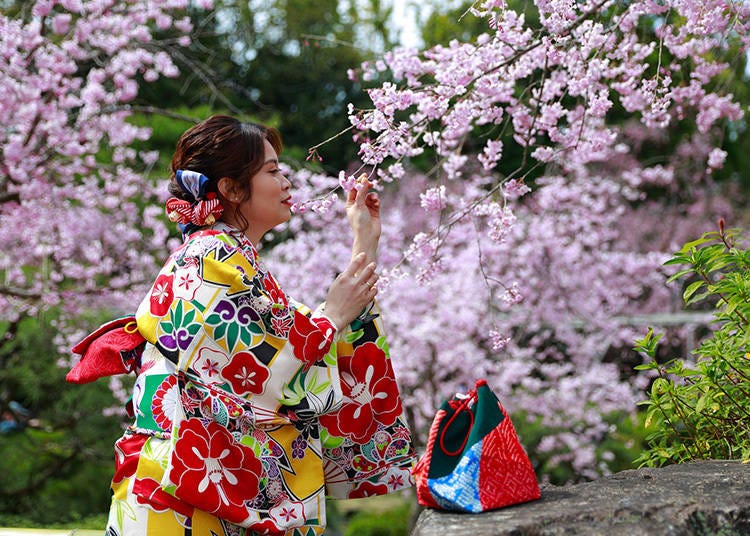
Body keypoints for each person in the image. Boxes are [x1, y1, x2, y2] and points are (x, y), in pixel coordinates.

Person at [94, 115, 416, 535]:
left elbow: (298, 340)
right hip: (174, 486)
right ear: (229, 188)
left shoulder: (231, 259)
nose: (287, 182)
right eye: (272, 171)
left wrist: (365, 242)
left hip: (198, 480)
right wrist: (332, 317)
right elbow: (266, 367)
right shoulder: (210, 257)